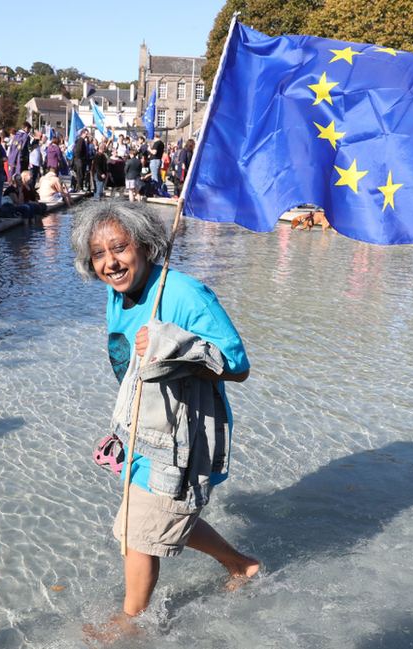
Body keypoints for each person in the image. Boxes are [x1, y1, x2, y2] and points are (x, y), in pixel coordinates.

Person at [70, 202, 260, 634]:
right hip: (142, 426)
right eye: (99, 254)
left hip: (180, 436)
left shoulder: (183, 294)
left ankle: (131, 624)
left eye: (119, 248)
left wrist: (176, 347)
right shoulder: (120, 290)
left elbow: (239, 364)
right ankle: (241, 564)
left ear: (146, 246)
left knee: (137, 531)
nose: (110, 263)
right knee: (164, 513)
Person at [71, 128, 88, 192]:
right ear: (82, 133)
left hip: (80, 160)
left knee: (81, 174)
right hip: (79, 160)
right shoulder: (80, 140)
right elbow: (78, 150)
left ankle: (80, 187)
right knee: (80, 174)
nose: (86, 135)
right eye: (86, 134)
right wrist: (81, 157)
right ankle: (80, 188)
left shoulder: (82, 140)